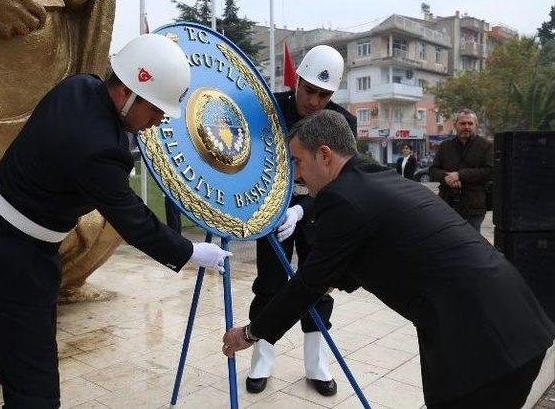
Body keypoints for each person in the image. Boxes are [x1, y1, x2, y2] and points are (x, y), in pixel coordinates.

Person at [0, 34, 232, 408]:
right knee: (35, 395)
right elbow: (134, 221)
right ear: (126, 92)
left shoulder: (79, 87)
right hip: (6, 266)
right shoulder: (99, 148)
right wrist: (190, 251)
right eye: (156, 109)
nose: (157, 121)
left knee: (23, 382)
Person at [223, 109, 555, 409]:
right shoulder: (375, 179)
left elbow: (308, 283)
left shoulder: (341, 200)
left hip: (483, 347)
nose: (295, 175)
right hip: (519, 325)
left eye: (297, 161)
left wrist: (250, 334)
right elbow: (353, 262)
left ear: (324, 155)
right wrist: (326, 284)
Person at [247, 45, 357, 396]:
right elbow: (252, 158)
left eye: (324, 94)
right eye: (309, 89)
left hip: (318, 210)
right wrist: (274, 205)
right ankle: (262, 359)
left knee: (320, 282)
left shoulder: (341, 122)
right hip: (272, 209)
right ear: (298, 80)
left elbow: (339, 180)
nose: (314, 101)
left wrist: (302, 208)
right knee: (269, 283)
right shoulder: (270, 107)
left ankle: (316, 363)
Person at [430, 109, 492, 232]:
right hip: (447, 202)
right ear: (455, 125)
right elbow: (433, 170)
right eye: (462, 123)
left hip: (474, 205)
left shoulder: (486, 145)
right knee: (447, 239)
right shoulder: (445, 146)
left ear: (476, 125)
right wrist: (447, 178)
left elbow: (490, 171)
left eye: (470, 123)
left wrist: (460, 175)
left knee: (471, 242)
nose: (466, 127)